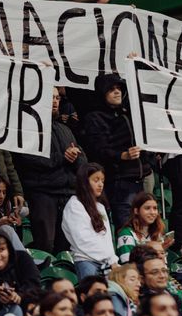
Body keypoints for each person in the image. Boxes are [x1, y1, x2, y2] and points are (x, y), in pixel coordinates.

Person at [14, 87, 87, 253]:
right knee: (45, 245)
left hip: (67, 194)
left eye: (57, 98)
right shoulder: (29, 128)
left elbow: (83, 159)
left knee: (67, 247)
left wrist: (75, 157)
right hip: (43, 194)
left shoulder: (65, 129)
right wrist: (63, 157)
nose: (55, 101)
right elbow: (28, 158)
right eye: (50, 97)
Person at [81, 74, 151, 227]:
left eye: (119, 88)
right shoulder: (94, 117)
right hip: (119, 182)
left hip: (140, 179)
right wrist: (122, 155)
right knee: (127, 227)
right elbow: (96, 150)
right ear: (102, 93)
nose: (117, 92)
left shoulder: (128, 112)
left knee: (142, 229)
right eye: (111, 89)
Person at [62, 163, 118, 278]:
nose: (100, 184)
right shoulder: (74, 205)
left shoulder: (100, 207)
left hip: (106, 263)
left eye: (102, 180)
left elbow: (107, 239)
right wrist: (108, 259)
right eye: (96, 180)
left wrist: (112, 260)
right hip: (86, 262)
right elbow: (83, 240)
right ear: (84, 182)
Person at [0, 227, 41, 316]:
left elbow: (34, 284)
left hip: (29, 310)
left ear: (9, 250)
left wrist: (19, 296)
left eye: (2, 249)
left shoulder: (22, 259)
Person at [116, 192, 169, 263]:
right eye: (147, 208)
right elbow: (128, 264)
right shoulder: (126, 233)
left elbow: (163, 263)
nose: (152, 212)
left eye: (155, 208)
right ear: (136, 211)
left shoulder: (157, 233)